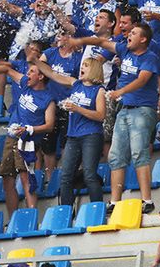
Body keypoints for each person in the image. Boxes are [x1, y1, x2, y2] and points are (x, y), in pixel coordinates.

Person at [69, 24, 160, 214]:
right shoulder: (123, 49)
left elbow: (142, 80)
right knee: (115, 155)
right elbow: (101, 41)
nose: (129, 35)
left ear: (143, 39)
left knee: (139, 152)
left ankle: (146, 199)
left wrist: (120, 91)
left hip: (142, 109)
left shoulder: (149, 57)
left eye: (134, 33)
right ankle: (115, 202)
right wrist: (80, 40)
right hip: (124, 109)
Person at [30, 57, 106, 206]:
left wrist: (78, 109)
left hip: (91, 135)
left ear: (95, 70)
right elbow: (52, 74)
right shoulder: (75, 83)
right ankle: (64, 213)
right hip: (73, 136)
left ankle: (98, 209)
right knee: (65, 176)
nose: (81, 68)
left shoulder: (99, 90)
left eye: (86, 65)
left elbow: (101, 115)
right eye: (82, 64)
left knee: (89, 174)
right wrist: (35, 61)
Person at [0, 63, 55, 216]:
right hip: (11, 138)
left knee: (26, 179)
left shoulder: (48, 99)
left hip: (28, 141)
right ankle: (13, 219)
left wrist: (30, 129)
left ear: (41, 76)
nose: (27, 73)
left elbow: (49, 125)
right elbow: (7, 70)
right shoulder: (25, 84)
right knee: (7, 179)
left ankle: (31, 216)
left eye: (32, 71)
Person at [39, 32, 83, 182]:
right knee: (48, 143)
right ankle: (51, 178)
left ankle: (66, 174)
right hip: (50, 103)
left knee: (66, 142)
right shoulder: (50, 52)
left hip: (67, 104)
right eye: (58, 34)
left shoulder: (77, 58)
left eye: (63, 34)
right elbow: (39, 66)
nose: (58, 37)